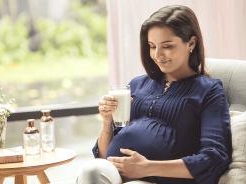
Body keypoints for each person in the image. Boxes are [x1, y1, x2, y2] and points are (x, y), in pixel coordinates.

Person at [76, 5, 232, 184]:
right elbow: (103, 156)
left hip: (160, 179)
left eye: (167, 46)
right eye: (152, 46)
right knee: (91, 170)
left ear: (191, 43)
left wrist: (146, 167)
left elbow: (215, 159)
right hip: (115, 174)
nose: (157, 55)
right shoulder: (136, 84)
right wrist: (107, 121)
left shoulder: (209, 90)